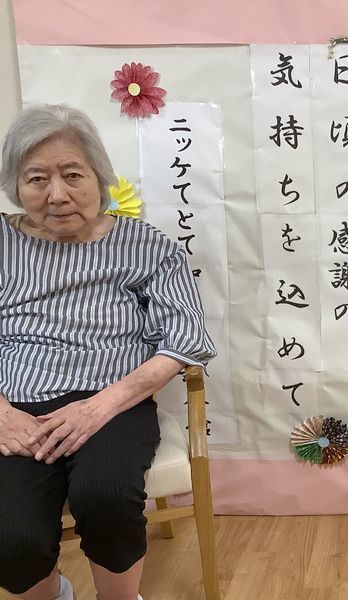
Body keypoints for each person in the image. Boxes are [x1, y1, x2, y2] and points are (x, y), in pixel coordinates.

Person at [0, 104, 216, 600]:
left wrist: (98, 407)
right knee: (11, 534)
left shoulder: (146, 246)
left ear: (100, 176)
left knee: (106, 496)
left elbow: (184, 339)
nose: (57, 194)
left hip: (113, 404)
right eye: (37, 178)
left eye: (72, 174)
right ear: (16, 185)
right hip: (16, 408)